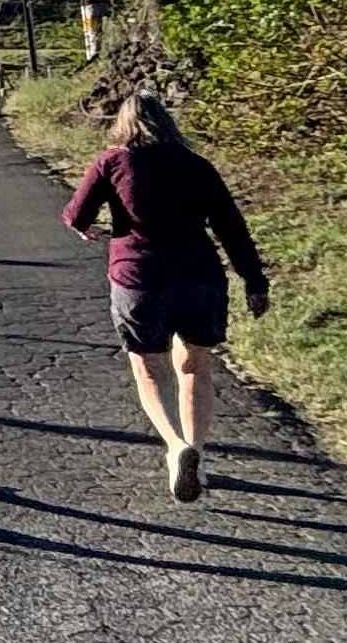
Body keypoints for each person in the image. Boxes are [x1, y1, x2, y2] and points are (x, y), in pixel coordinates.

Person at [62, 89, 269, 502]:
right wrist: (254, 280)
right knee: (195, 366)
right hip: (199, 278)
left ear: (122, 123)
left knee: (149, 370)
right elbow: (231, 226)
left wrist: (85, 228)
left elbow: (76, 213)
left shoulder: (112, 162)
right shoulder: (196, 165)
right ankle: (198, 454)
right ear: (168, 122)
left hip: (139, 280)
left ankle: (176, 447)